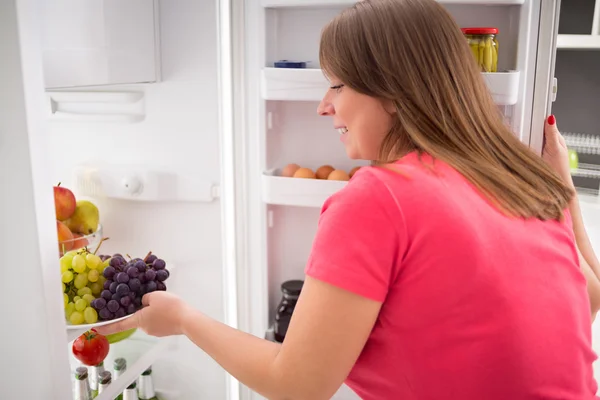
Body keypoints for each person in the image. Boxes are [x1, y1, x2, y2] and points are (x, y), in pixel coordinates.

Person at [97, 0, 600, 398]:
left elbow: (296, 386)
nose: (323, 105)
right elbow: (589, 299)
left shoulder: (380, 197)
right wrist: (564, 193)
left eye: (336, 84)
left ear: (394, 90)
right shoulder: (517, 175)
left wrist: (184, 318)